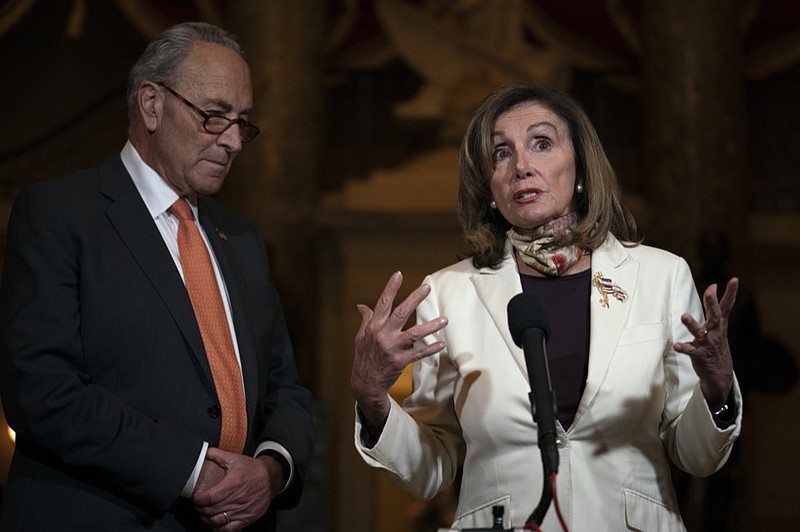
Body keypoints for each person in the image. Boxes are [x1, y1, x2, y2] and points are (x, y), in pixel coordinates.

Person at [351, 84, 742, 531]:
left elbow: (695, 455)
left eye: (541, 143)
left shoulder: (662, 277)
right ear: (489, 187)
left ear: (579, 169)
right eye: (501, 153)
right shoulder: (449, 294)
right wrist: (372, 399)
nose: (521, 166)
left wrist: (717, 389)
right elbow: (430, 469)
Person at [0, 22, 314, 531]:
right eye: (214, 117)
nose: (233, 141)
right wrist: (192, 471)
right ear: (151, 104)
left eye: (242, 122)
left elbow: (287, 391)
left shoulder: (244, 240)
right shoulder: (60, 215)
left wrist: (272, 469)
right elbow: (42, 390)